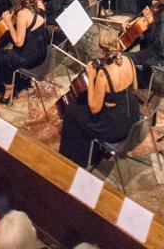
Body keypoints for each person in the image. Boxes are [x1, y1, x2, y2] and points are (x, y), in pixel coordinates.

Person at [59, 27, 140, 168]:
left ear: (102, 50)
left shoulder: (104, 74)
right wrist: (113, 101)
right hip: (133, 117)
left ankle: (75, 158)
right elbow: (135, 88)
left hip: (116, 128)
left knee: (73, 112)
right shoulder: (128, 60)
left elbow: (94, 108)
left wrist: (91, 77)